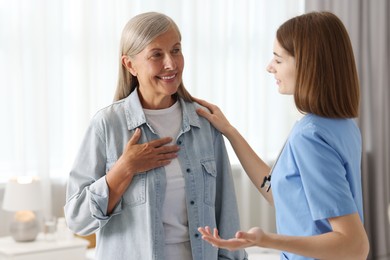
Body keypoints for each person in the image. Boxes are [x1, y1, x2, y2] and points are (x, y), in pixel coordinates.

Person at [64, 12, 247, 260]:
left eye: (176, 50)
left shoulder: (204, 123)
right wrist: (124, 168)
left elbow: (226, 214)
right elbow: (77, 219)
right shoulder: (107, 125)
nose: (171, 64)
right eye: (156, 55)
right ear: (130, 65)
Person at [196, 11, 370, 260]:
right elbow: (280, 194)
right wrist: (230, 132)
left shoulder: (310, 136)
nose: (269, 67)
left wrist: (266, 240)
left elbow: (354, 245)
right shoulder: (340, 126)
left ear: (307, 64)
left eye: (278, 60)